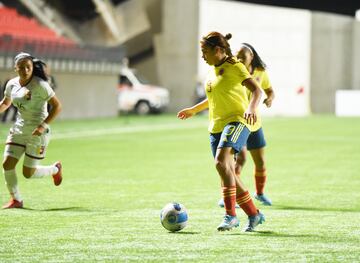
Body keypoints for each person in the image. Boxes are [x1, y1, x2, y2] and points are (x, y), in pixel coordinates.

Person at [177, 32, 265, 232]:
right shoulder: (212, 71)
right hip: (215, 127)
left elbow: (257, 91)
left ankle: (230, 216)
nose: (202, 56)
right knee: (228, 171)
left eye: (204, 51)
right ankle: (254, 214)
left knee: (220, 162)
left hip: (237, 121)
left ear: (218, 50)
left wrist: (251, 108)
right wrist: (193, 110)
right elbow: (214, 98)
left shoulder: (235, 67)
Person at [0, 52, 63, 209]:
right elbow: (6, 102)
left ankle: (55, 169)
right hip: (19, 129)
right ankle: (16, 200)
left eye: (28, 67)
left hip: (37, 132)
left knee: (28, 173)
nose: (25, 70)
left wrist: (42, 126)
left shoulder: (41, 85)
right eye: (21, 67)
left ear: (32, 67)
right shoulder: (12, 84)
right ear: (16, 68)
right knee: (7, 164)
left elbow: (57, 106)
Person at [218, 43, 275, 207]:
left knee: (260, 162)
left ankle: (260, 193)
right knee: (237, 160)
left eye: (243, 55)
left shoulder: (260, 73)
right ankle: (228, 195)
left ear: (252, 57)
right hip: (238, 122)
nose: (239, 58)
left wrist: (269, 99)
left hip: (254, 123)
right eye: (237, 55)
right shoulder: (233, 71)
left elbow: (269, 90)